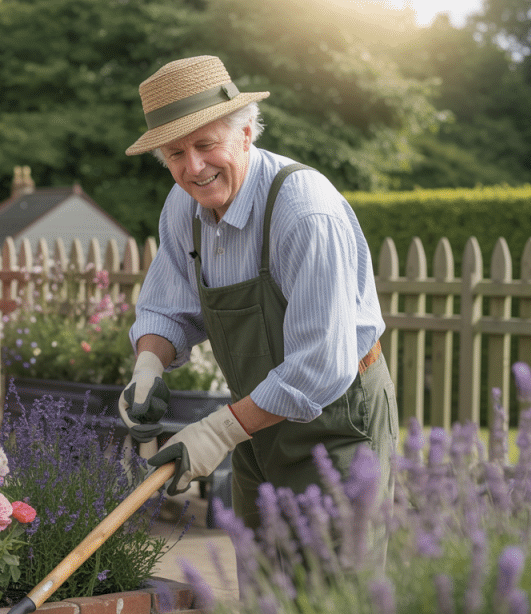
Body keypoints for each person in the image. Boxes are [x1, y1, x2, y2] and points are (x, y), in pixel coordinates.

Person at [117, 55, 399, 532]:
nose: (194, 168)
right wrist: (148, 366)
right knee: (265, 584)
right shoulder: (183, 207)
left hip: (338, 428)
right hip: (255, 426)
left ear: (246, 132)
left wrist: (217, 430)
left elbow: (317, 368)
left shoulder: (304, 213)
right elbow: (168, 306)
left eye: (206, 145)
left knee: (333, 593)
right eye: (175, 155)